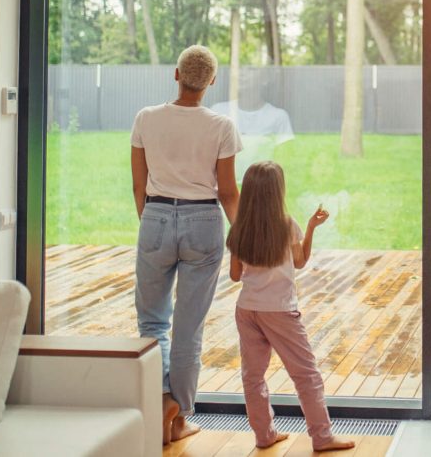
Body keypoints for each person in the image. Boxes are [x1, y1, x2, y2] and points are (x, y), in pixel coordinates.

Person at [131, 45, 241, 444]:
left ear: (175, 75)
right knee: (188, 327)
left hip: (156, 216)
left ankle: (162, 400)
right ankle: (179, 418)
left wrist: (154, 221)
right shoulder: (221, 126)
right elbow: (228, 191)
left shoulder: (146, 118)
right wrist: (243, 238)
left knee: (152, 322)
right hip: (203, 220)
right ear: (211, 81)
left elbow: (138, 186)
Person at [227, 161, 355, 452]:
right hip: (280, 311)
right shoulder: (287, 225)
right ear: (277, 192)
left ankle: (264, 436)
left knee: (253, 376)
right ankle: (322, 437)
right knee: (306, 374)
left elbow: (235, 276)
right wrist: (310, 228)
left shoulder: (239, 229)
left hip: (247, 309)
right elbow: (299, 261)